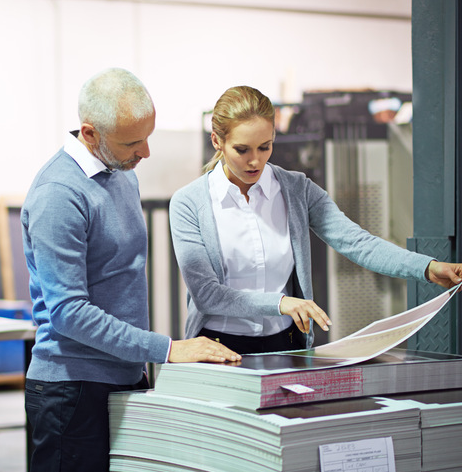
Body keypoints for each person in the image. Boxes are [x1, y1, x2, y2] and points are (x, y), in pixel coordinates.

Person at [20, 68, 241, 472]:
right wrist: (168, 349)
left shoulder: (120, 170)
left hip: (124, 376)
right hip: (72, 391)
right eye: (132, 142)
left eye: (147, 136)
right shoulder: (58, 195)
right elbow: (69, 314)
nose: (146, 152)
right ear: (89, 133)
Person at [169, 85, 462, 354]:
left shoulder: (297, 189)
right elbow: (206, 294)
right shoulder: (188, 203)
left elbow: (357, 242)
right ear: (217, 141)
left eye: (265, 146)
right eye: (242, 150)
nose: (255, 161)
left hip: (284, 344)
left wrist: (426, 267)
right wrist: (280, 303)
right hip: (217, 347)